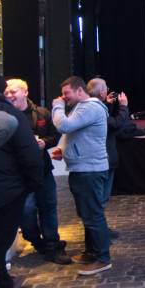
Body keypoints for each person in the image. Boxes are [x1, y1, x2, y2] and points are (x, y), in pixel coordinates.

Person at [4, 79, 70, 264]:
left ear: (25, 92)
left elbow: (55, 135)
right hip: (18, 174)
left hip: (43, 170)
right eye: (7, 92)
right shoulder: (3, 115)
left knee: (48, 208)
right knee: (26, 212)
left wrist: (45, 142)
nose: (9, 95)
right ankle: (36, 241)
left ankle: (52, 245)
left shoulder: (41, 113)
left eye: (13, 91)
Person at [52, 76, 112, 276]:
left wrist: (57, 107)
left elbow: (64, 126)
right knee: (87, 214)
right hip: (83, 169)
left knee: (93, 215)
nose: (63, 97)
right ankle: (92, 252)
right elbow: (71, 134)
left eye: (66, 93)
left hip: (90, 170)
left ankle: (103, 258)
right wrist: (63, 148)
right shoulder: (82, 107)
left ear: (79, 91)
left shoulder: (90, 107)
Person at [0, 72, 43, 288]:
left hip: (3, 187)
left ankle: (0, 282)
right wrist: (33, 185)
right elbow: (29, 154)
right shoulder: (10, 115)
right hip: (5, 192)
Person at [86, 78, 132, 237]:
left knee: (100, 200)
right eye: (105, 88)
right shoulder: (95, 109)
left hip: (102, 158)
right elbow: (115, 124)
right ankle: (98, 235)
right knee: (100, 199)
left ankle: (100, 230)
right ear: (102, 92)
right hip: (103, 159)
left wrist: (109, 104)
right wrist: (123, 107)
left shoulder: (94, 107)